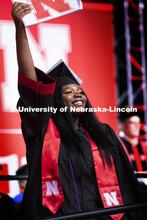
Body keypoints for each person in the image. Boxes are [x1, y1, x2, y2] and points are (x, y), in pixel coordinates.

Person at [11, 3, 145, 220]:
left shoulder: (104, 134)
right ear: (55, 100)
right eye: (68, 92)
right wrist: (20, 29)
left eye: (80, 91)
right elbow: (29, 82)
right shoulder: (42, 131)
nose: (78, 95)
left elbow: (125, 184)